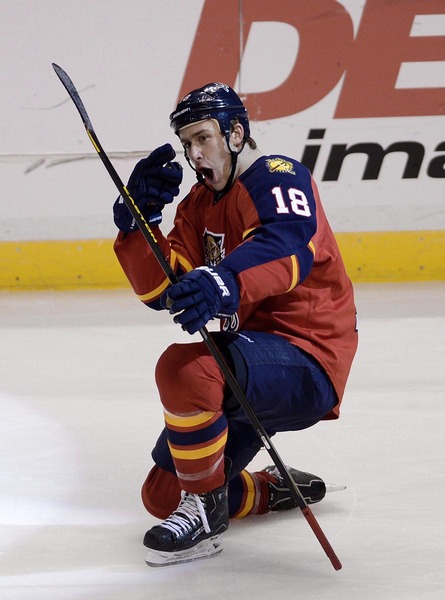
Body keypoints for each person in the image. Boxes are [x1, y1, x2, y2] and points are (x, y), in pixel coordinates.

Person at [113, 82, 358, 567]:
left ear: (236, 133)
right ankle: (269, 490)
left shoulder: (278, 177)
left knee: (186, 370)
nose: (194, 154)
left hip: (306, 358)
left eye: (203, 138)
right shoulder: (197, 206)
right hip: (248, 359)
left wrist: (223, 280)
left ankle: (205, 514)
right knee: (163, 495)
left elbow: (287, 247)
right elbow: (162, 291)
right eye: (187, 144)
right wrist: (137, 226)